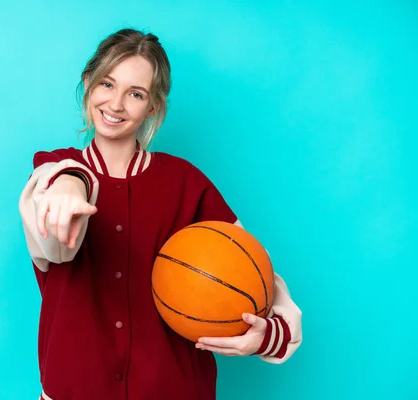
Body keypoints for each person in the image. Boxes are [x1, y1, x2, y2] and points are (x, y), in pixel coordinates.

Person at [19, 28, 302, 400]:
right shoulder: (53, 172)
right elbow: (53, 227)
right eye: (107, 84)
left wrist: (268, 332)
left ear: (152, 106)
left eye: (135, 94)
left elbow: (249, 271)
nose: (116, 104)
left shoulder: (186, 182)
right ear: (88, 84)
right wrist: (70, 183)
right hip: (74, 389)